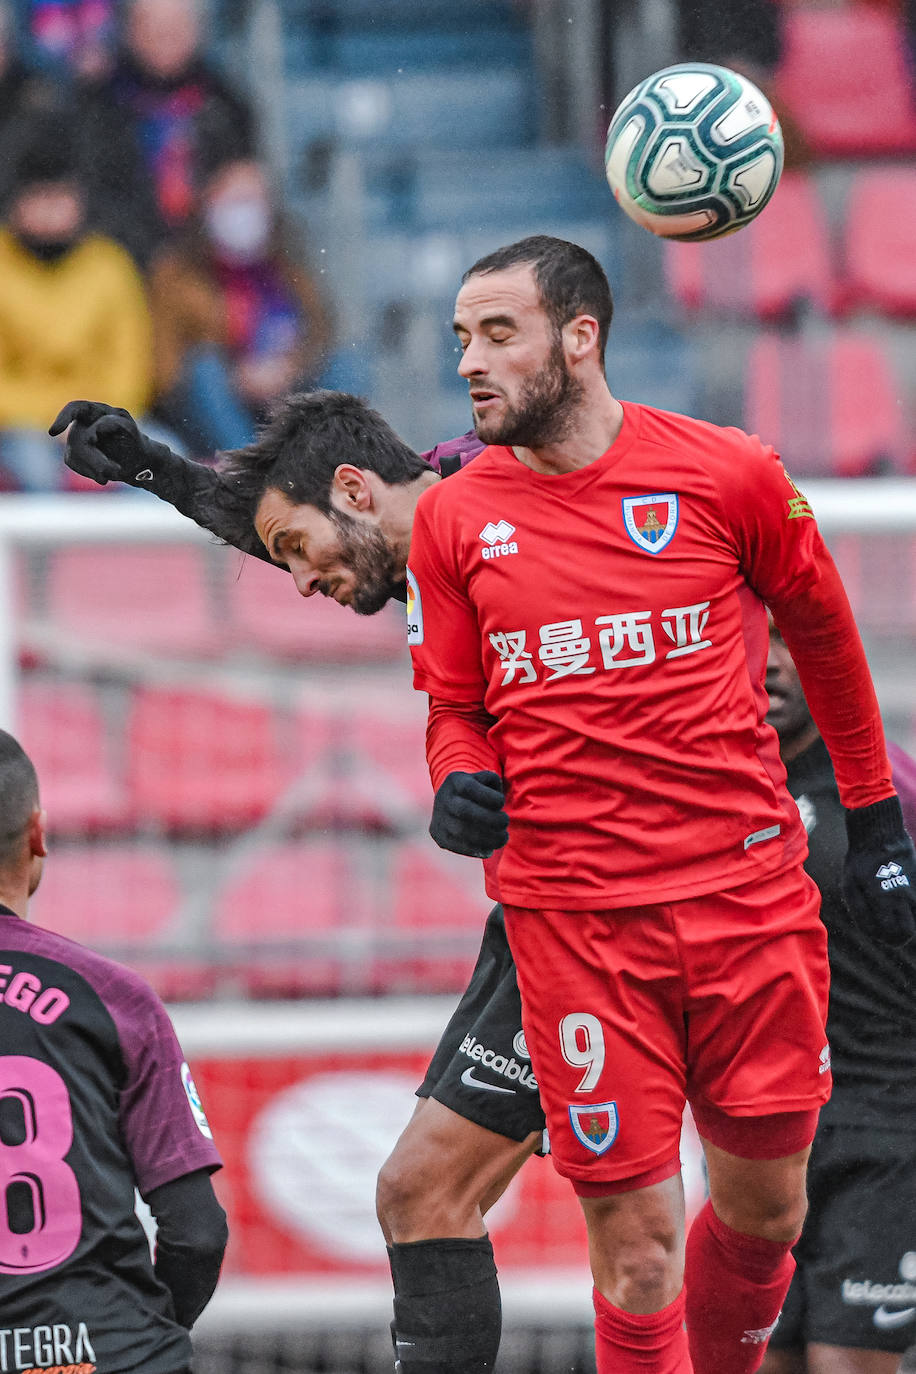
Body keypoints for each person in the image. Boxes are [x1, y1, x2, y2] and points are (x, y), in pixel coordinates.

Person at [403, 234, 916, 1374]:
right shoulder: (452, 520)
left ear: (580, 339)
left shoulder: (727, 473)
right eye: (459, 341)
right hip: (576, 928)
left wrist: (876, 821)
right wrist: (456, 783)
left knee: (766, 1213)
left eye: (498, 335)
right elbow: (452, 705)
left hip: (746, 905)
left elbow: (827, 642)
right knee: (634, 1254)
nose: (470, 364)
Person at [49, 389, 539, 1374]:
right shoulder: (423, 547)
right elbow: (298, 519)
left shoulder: (510, 499)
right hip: (548, 907)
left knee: (665, 1214)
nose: (301, 583)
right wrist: (155, 468)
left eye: (297, 552)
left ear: (356, 487)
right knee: (444, 1196)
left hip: (647, 890)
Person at [0, 727, 228, 1369]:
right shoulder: (113, 997)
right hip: (106, 1351)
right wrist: (136, 1339)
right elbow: (197, 1233)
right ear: (38, 833)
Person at [761, 622, 916, 1374]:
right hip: (767, 1137)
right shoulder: (718, 791)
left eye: (785, 640)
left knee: (846, 1361)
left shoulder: (890, 792)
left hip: (888, 1133)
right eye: (747, 638)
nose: (767, 663)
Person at [0, 123, 153, 490]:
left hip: (102, 419)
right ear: (17, 203)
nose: (52, 210)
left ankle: (133, 550)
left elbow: (132, 368)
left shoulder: (110, 265)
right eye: (40, 197)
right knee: (37, 472)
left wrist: (94, 419)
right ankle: (42, 551)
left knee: (162, 463)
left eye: (62, 197)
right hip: (18, 428)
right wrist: (54, 419)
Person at [148, 155, 334, 454]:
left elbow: (320, 334)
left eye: (253, 201)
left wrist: (289, 368)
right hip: (210, 409)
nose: (244, 213)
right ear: (209, 204)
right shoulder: (177, 273)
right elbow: (165, 367)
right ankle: (249, 469)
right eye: (235, 201)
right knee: (205, 369)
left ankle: (329, 460)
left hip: (284, 393)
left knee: (346, 364)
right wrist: (236, 377)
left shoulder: (289, 267)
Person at [83, 0, 256, 249]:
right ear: (128, 32)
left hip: (203, 261)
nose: (164, 35)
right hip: (121, 257)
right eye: (151, 25)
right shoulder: (97, 106)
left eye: (176, 24)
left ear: (198, 31)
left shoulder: (227, 106)